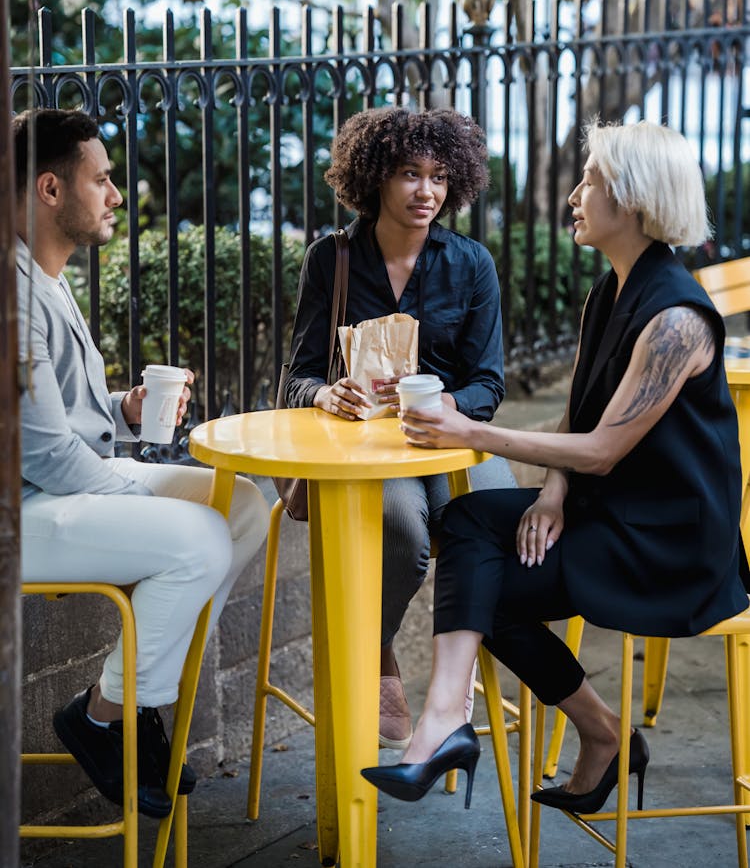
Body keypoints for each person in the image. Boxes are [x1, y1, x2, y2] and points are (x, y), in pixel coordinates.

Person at [362, 119, 750, 811]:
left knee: (484, 583)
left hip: (671, 544)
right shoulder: (607, 292)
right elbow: (577, 419)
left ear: (631, 199)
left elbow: (603, 445)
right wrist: (551, 494)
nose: (574, 195)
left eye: (590, 180)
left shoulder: (677, 321)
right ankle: (467, 718)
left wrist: (469, 429)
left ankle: (529, 728)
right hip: (611, 509)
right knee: (471, 528)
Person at [15, 108, 270, 818]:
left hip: (59, 484)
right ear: (50, 189)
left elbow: (51, 415)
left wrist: (123, 408)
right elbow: (44, 453)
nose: (118, 194)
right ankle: (103, 719)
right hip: (26, 509)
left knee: (242, 503)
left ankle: (133, 701)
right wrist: (149, 503)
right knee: (198, 535)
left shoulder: (44, 273)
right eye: (101, 179)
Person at [285, 105, 516, 747]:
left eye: (439, 176)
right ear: (375, 178)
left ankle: (455, 670)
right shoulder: (330, 261)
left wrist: (445, 407)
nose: (426, 192)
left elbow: (488, 385)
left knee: (493, 517)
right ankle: (379, 654)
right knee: (405, 531)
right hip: (367, 447)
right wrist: (329, 395)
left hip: (449, 436)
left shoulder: (470, 264)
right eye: (410, 174)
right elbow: (297, 378)